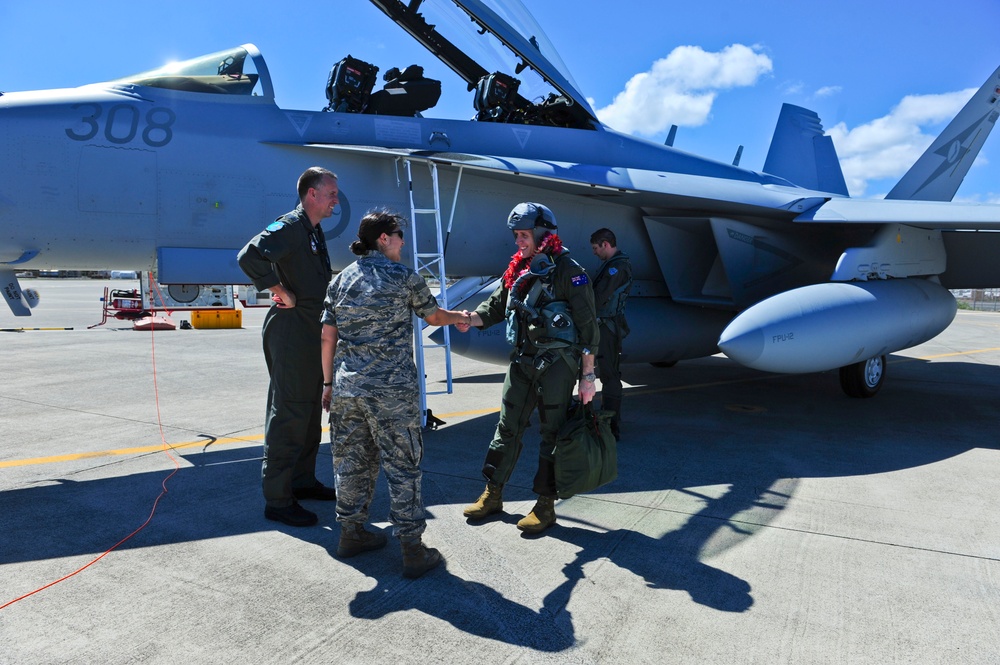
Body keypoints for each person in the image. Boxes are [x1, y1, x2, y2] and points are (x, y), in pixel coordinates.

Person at [321, 209, 472, 578]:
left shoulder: (340, 280)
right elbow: (433, 317)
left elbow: (327, 336)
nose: (403, 242)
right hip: (392, 392)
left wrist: (327, 385)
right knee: (403, 467)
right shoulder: (405, 277)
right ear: (383, 238)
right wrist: (462, 317)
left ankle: (351, 533)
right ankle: (412, 549)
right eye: (399, 235)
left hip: (347, 389)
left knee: (351, 462)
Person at [456, 202, 599, 534]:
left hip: (557, 366)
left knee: (551, 435)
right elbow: (492, 309)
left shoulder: (570, 271)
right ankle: (492, 495)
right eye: (517, 235)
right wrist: (467, 319)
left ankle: (545, 506)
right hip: (522, 362)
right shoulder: (517, 270)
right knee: (507, 429)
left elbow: (589, 327)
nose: (519, 242)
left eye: (524, 235)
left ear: (542, 234)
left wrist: (588, 376)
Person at [237, 166, 339, 528]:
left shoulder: (312, 232)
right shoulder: (292, 226)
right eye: (330, 193)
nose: (335, 200)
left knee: (310, 410)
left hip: (312, 329)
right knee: (290, 411)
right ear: (311, 194)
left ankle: (302, 481)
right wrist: (279, 291)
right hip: (292, 330)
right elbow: (249, 256)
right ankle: (278, 499)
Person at [590, 228, 633, 440]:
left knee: (609, 375)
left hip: (607, 328)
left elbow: (598, 298)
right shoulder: (610, 266)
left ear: (605, 244)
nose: (595, 253)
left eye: (596, 248)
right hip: (601, 325)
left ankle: (611, 426)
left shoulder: (617, 268)